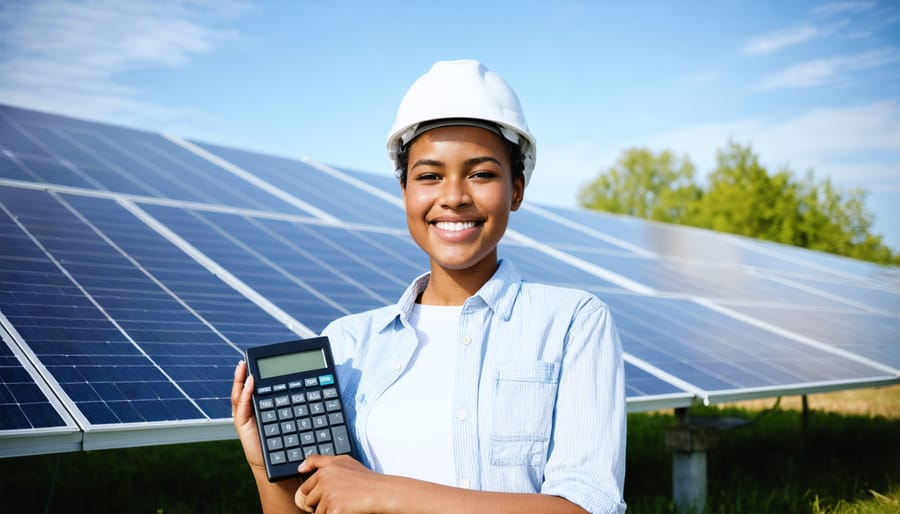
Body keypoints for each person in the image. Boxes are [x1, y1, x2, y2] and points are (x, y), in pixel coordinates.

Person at [232, 59, 627, 514]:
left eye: (481, 174)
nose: (454, 196)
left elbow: (588, 508)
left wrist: (387, 492)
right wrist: (266, 470)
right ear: (404, 192)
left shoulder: (573, 322)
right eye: (429, 176)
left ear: (516, 189)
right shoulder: (348, 343)